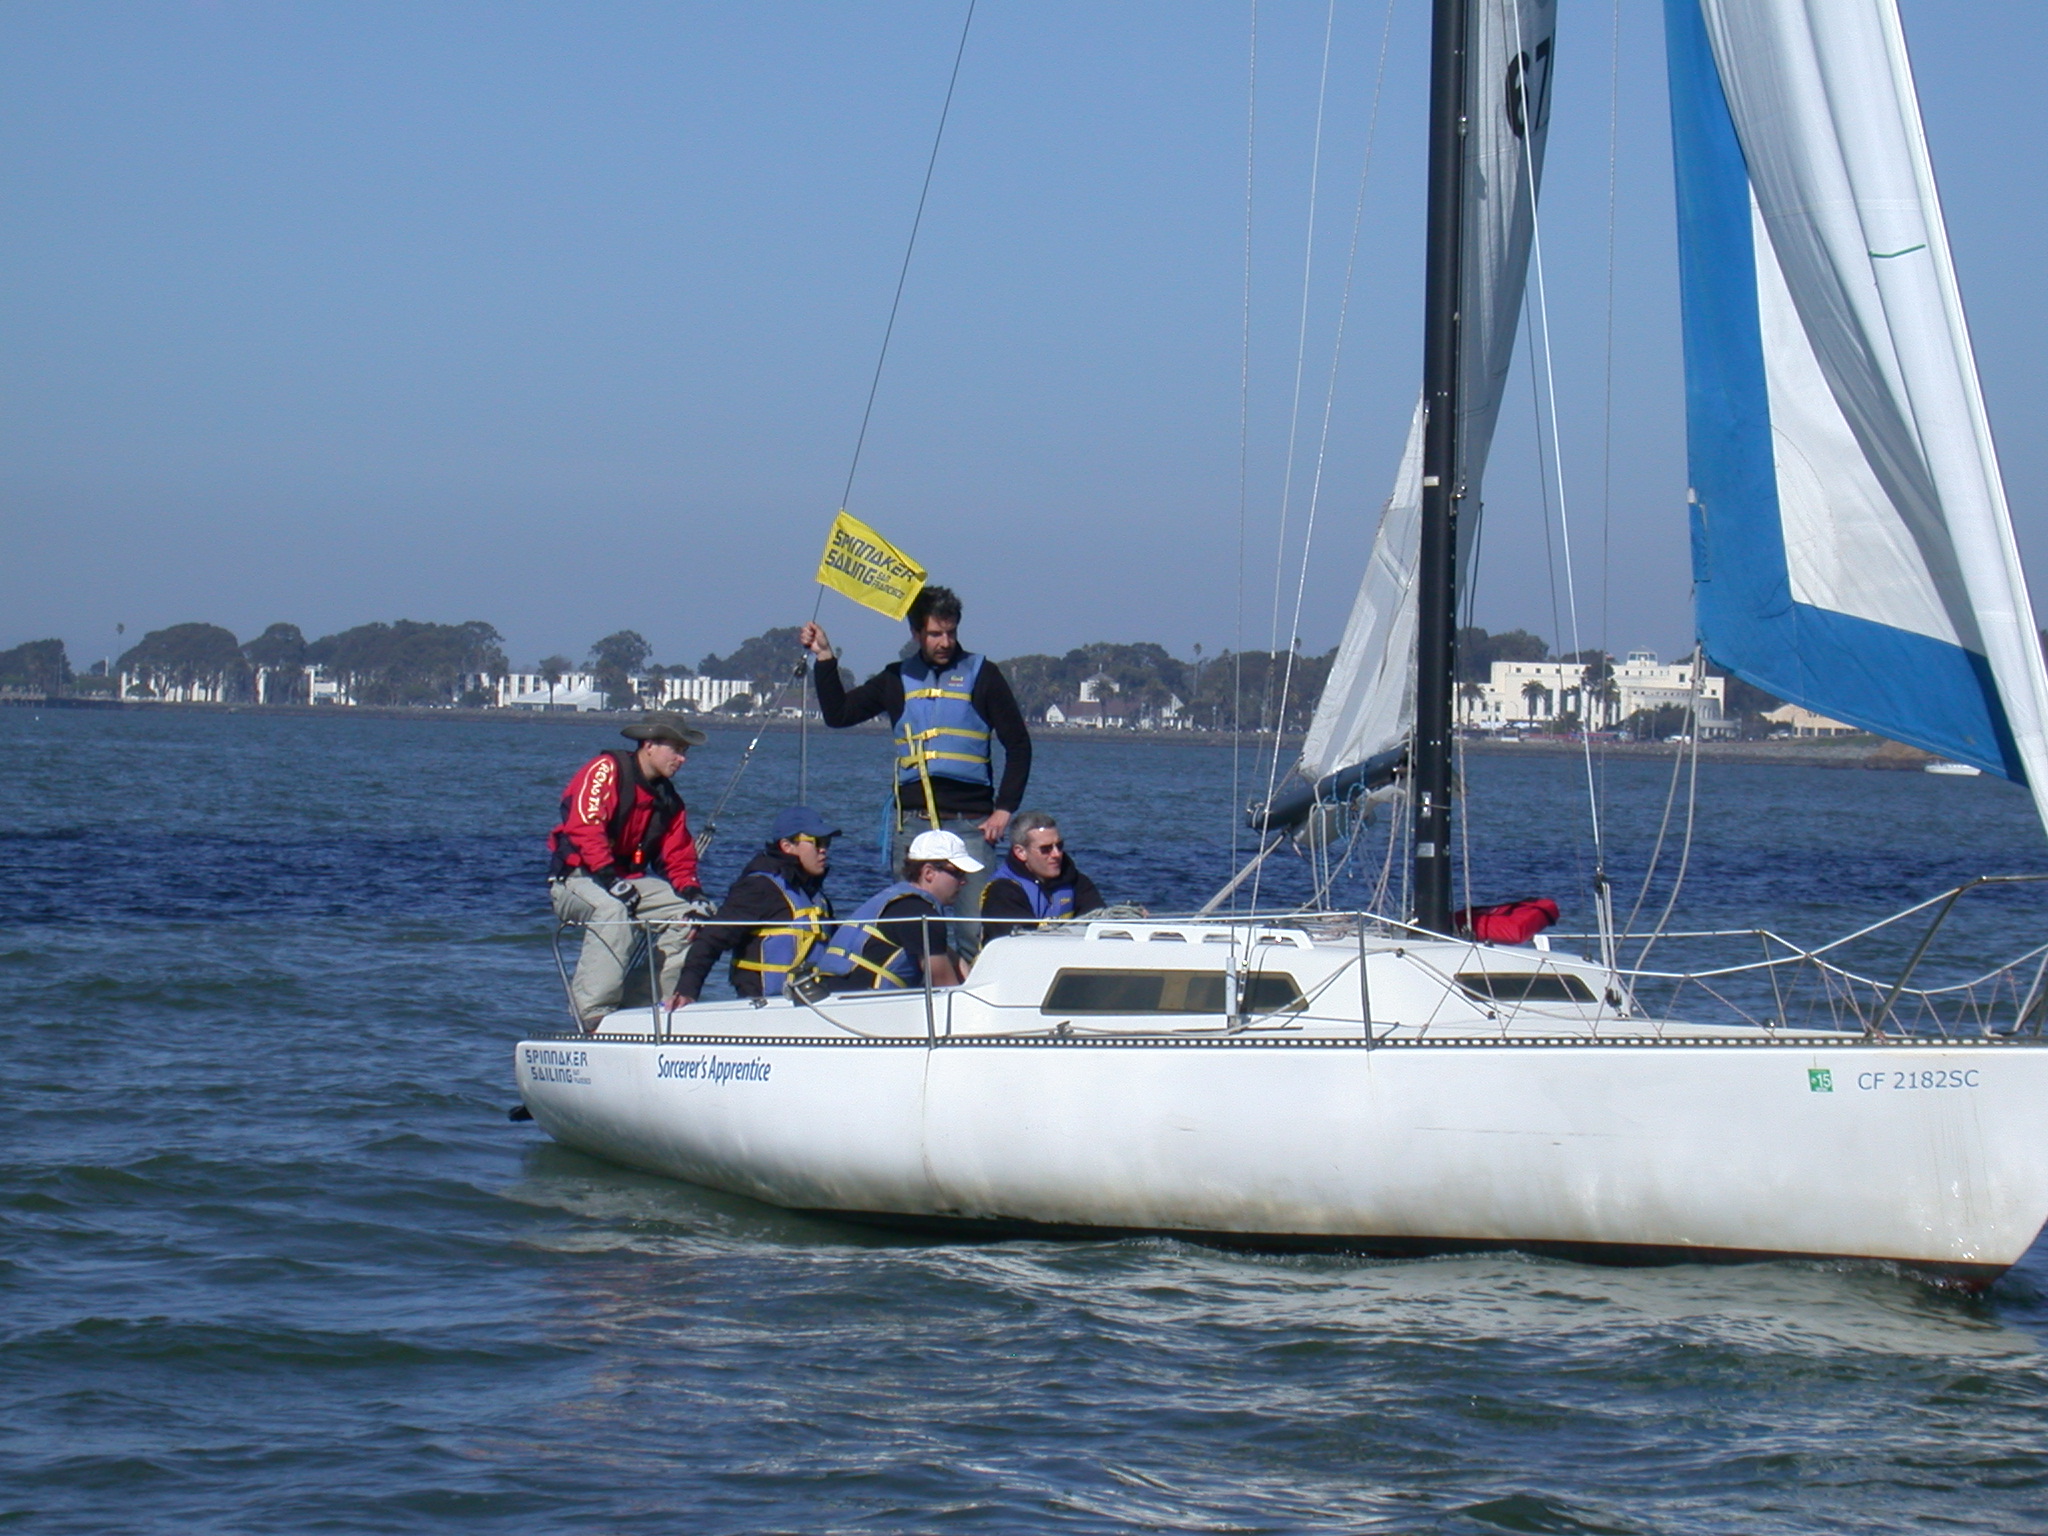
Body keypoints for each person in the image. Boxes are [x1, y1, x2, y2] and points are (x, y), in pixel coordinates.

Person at [798, 584, 1029, 933]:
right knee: (912, 928)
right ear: (916, 633)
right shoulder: (896, 678)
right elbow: (839, 714)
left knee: (975, 931)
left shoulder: (983, 675)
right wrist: (825, 657)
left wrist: (1004, 809)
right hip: (913, 824)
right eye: (935, 634)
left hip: (972, 824)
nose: (945, 642)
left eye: (950, 632)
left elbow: (1019, 746)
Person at [547, 712, 713, 1030]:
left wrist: (694, 892)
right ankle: (593, 1015)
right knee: (613, 910)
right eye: (676, 750)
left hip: (626, 881)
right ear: (649, 745)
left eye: (685, 752)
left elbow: (678, 856)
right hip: (575, 878)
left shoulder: (669, 801)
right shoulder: (605, 771)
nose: (682, 759)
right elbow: (584, 826)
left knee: (694, 918)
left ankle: (640, 1009)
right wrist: (610, 878)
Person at [670, 806, 838, 1006]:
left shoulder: (814, 895)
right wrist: (687, 991)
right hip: (762, 1006)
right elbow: (711, 940)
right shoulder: (759, 887)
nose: (823, 850)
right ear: (787, 846)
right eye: (816, 842)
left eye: (827, 842)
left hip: (809, 1003)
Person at [811, 829, 983, 992]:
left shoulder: (898, 900)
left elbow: (943, 952)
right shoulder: (923, 916)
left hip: (831, 995)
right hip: (866, 1008)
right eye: (958, 873)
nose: (964, 881)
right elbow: (947, 988)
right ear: (929, 873)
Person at [978, 810, 1105, 943]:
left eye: (1059, 846)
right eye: (1046, 849)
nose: (1056, 854)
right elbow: (1018, 946)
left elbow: (1098, 926)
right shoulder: (1002, 891)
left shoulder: (1077, 882)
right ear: (1021, 852)